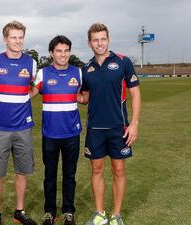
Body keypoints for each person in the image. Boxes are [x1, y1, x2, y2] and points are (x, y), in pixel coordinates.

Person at [79, 23, 141, 225]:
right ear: (90, 43)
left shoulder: (123, 62)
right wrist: (67, 94)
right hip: (95, 129)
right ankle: (99, 214)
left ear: (109, 39)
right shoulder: (86, 68)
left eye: (103, 39)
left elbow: (135, 93)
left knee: (119, 171)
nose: (99, 43)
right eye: (95, 40)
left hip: (119, 129)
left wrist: (134, 123)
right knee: (96, 170)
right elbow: (86, 97)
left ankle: (116, 215)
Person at [0, 20, 38, 225]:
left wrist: (25, 97)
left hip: (23, 127)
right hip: (0, 127)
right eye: (13, 37)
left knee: (22, 171)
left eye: (20, 37)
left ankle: (19, 210)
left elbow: (35, 87)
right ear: (5, 39)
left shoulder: (31, 63)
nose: (18, 41)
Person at [30, 35, 82, 225]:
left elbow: (85, 96)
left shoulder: (78, 72)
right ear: (52, 53)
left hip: (72, 134)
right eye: (59, 51)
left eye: (66, 51)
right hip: (50, 134)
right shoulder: (43, 74)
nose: (63, 54)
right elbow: (29, 94)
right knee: (49, 176)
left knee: (69, 175)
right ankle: (49, 211)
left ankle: (69, 211)